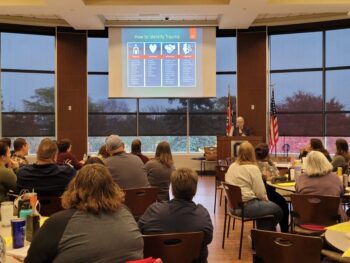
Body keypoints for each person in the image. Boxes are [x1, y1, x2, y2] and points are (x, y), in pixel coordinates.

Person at [25, 164, 144, 263]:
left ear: (74, 189)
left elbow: (32, 260)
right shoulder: (125, 212)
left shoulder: (58, 223)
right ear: (112, 188)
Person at [139, 168, 213, 263]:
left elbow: (139, 234)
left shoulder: (154, 211)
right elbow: (208, 239)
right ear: (195, 189)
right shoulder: (202, 214)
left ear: (172, 188)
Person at [225, 141, 282, 231]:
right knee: (278, 210)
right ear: (252, 154)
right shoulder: (252, 168)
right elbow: (260, 193)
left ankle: (259, 239)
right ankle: (262, 238)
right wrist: (265, 200)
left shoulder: (232, 166)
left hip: (232, 207)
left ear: (239, 152)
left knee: (266, 216)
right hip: (246, 207)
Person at [295, 150, 345, 220]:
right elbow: (341, 194)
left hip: (305, 220)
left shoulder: (301, 178)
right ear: (325, 162)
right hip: (332, 222)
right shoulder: (335, 178)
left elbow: (297, 194)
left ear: (307, 163)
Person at [255, 143, 289, 232]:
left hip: (255, 195)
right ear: (267, 154)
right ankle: (285, 231)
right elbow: (277, 176)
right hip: (268, 194)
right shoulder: (268, 166)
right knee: (284, 204)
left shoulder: (253, 165)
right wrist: (271, 163)